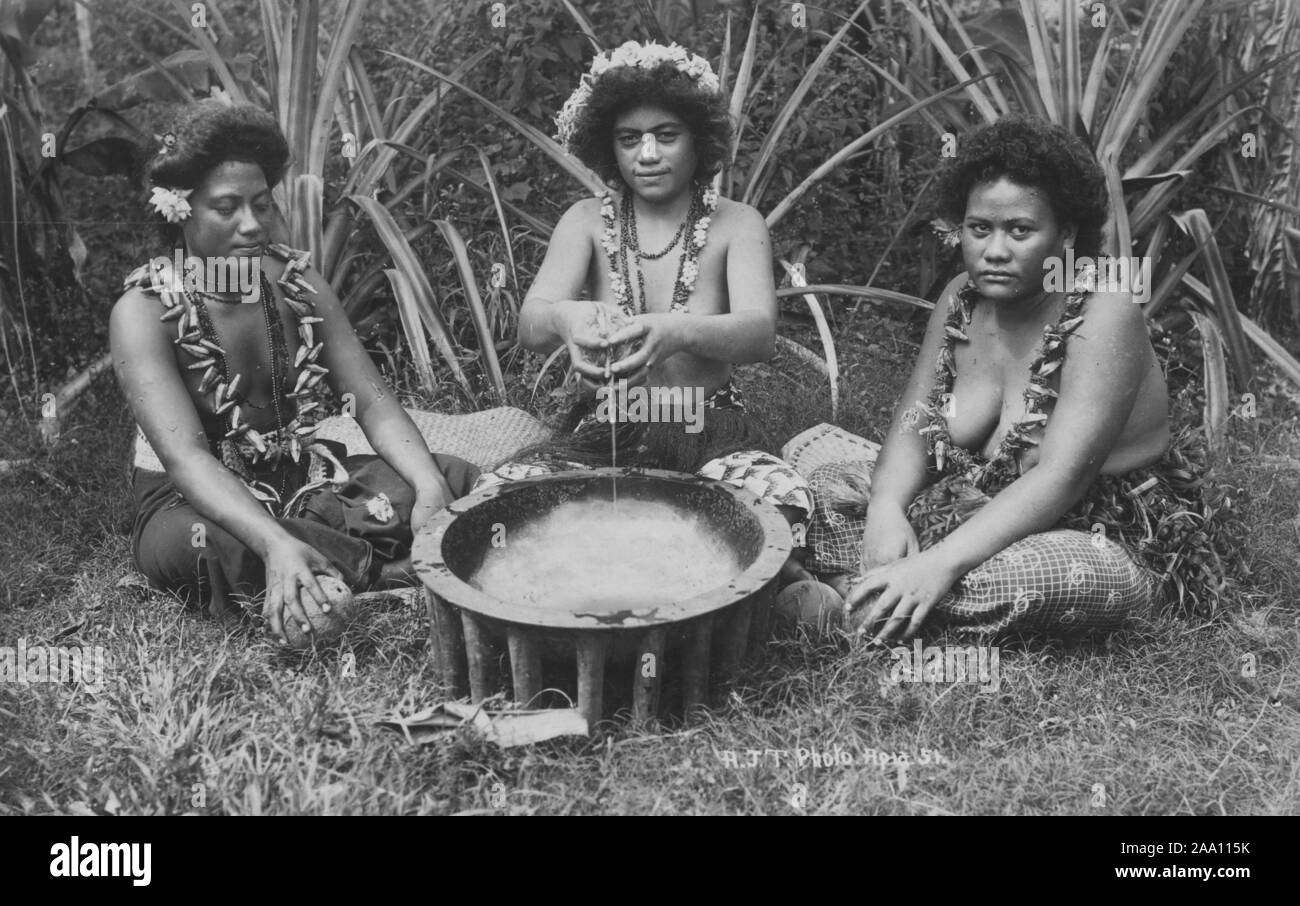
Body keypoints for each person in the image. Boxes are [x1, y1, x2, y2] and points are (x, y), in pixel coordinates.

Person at [802, 116, 1235, 642]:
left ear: (1066, 234)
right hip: (972, 499)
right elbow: (915, 420)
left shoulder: (1104, 313)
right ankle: (883, 596)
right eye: (980, 228)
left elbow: (1062, 479)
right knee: (815, 463)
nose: (996, 250)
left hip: (1093, 529)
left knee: (1025, 577)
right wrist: (887, 510)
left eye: (1021, 231)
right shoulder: (961, 296)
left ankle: (853, 594)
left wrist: (938, 564)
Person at [110, 100, 478, 645]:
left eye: (261, 203)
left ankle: (340, 567)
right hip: (193, 500)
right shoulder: (141, 313)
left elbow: (371, 400)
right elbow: (185, 456)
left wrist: (425, 484)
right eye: (227, 208)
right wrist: (273, 543)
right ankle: (389, 570)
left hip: (302, 475)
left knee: (455, 478)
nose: (252, 224)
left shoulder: (296, 283)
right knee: (210, 547)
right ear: (178, 211)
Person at [475, 41, 813, 573]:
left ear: (700, 143)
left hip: (709, 425)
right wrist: (565, 319)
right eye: (630, 140)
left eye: (666, 136)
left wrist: (678, 331)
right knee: (499, 497)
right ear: (610, 149)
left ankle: (658, 557)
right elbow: (530, 325)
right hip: (605, 426)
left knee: (783, 503)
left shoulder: (737, 223)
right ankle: (675, 559)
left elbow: (759, 335)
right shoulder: (586, 220)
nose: (648, 154)